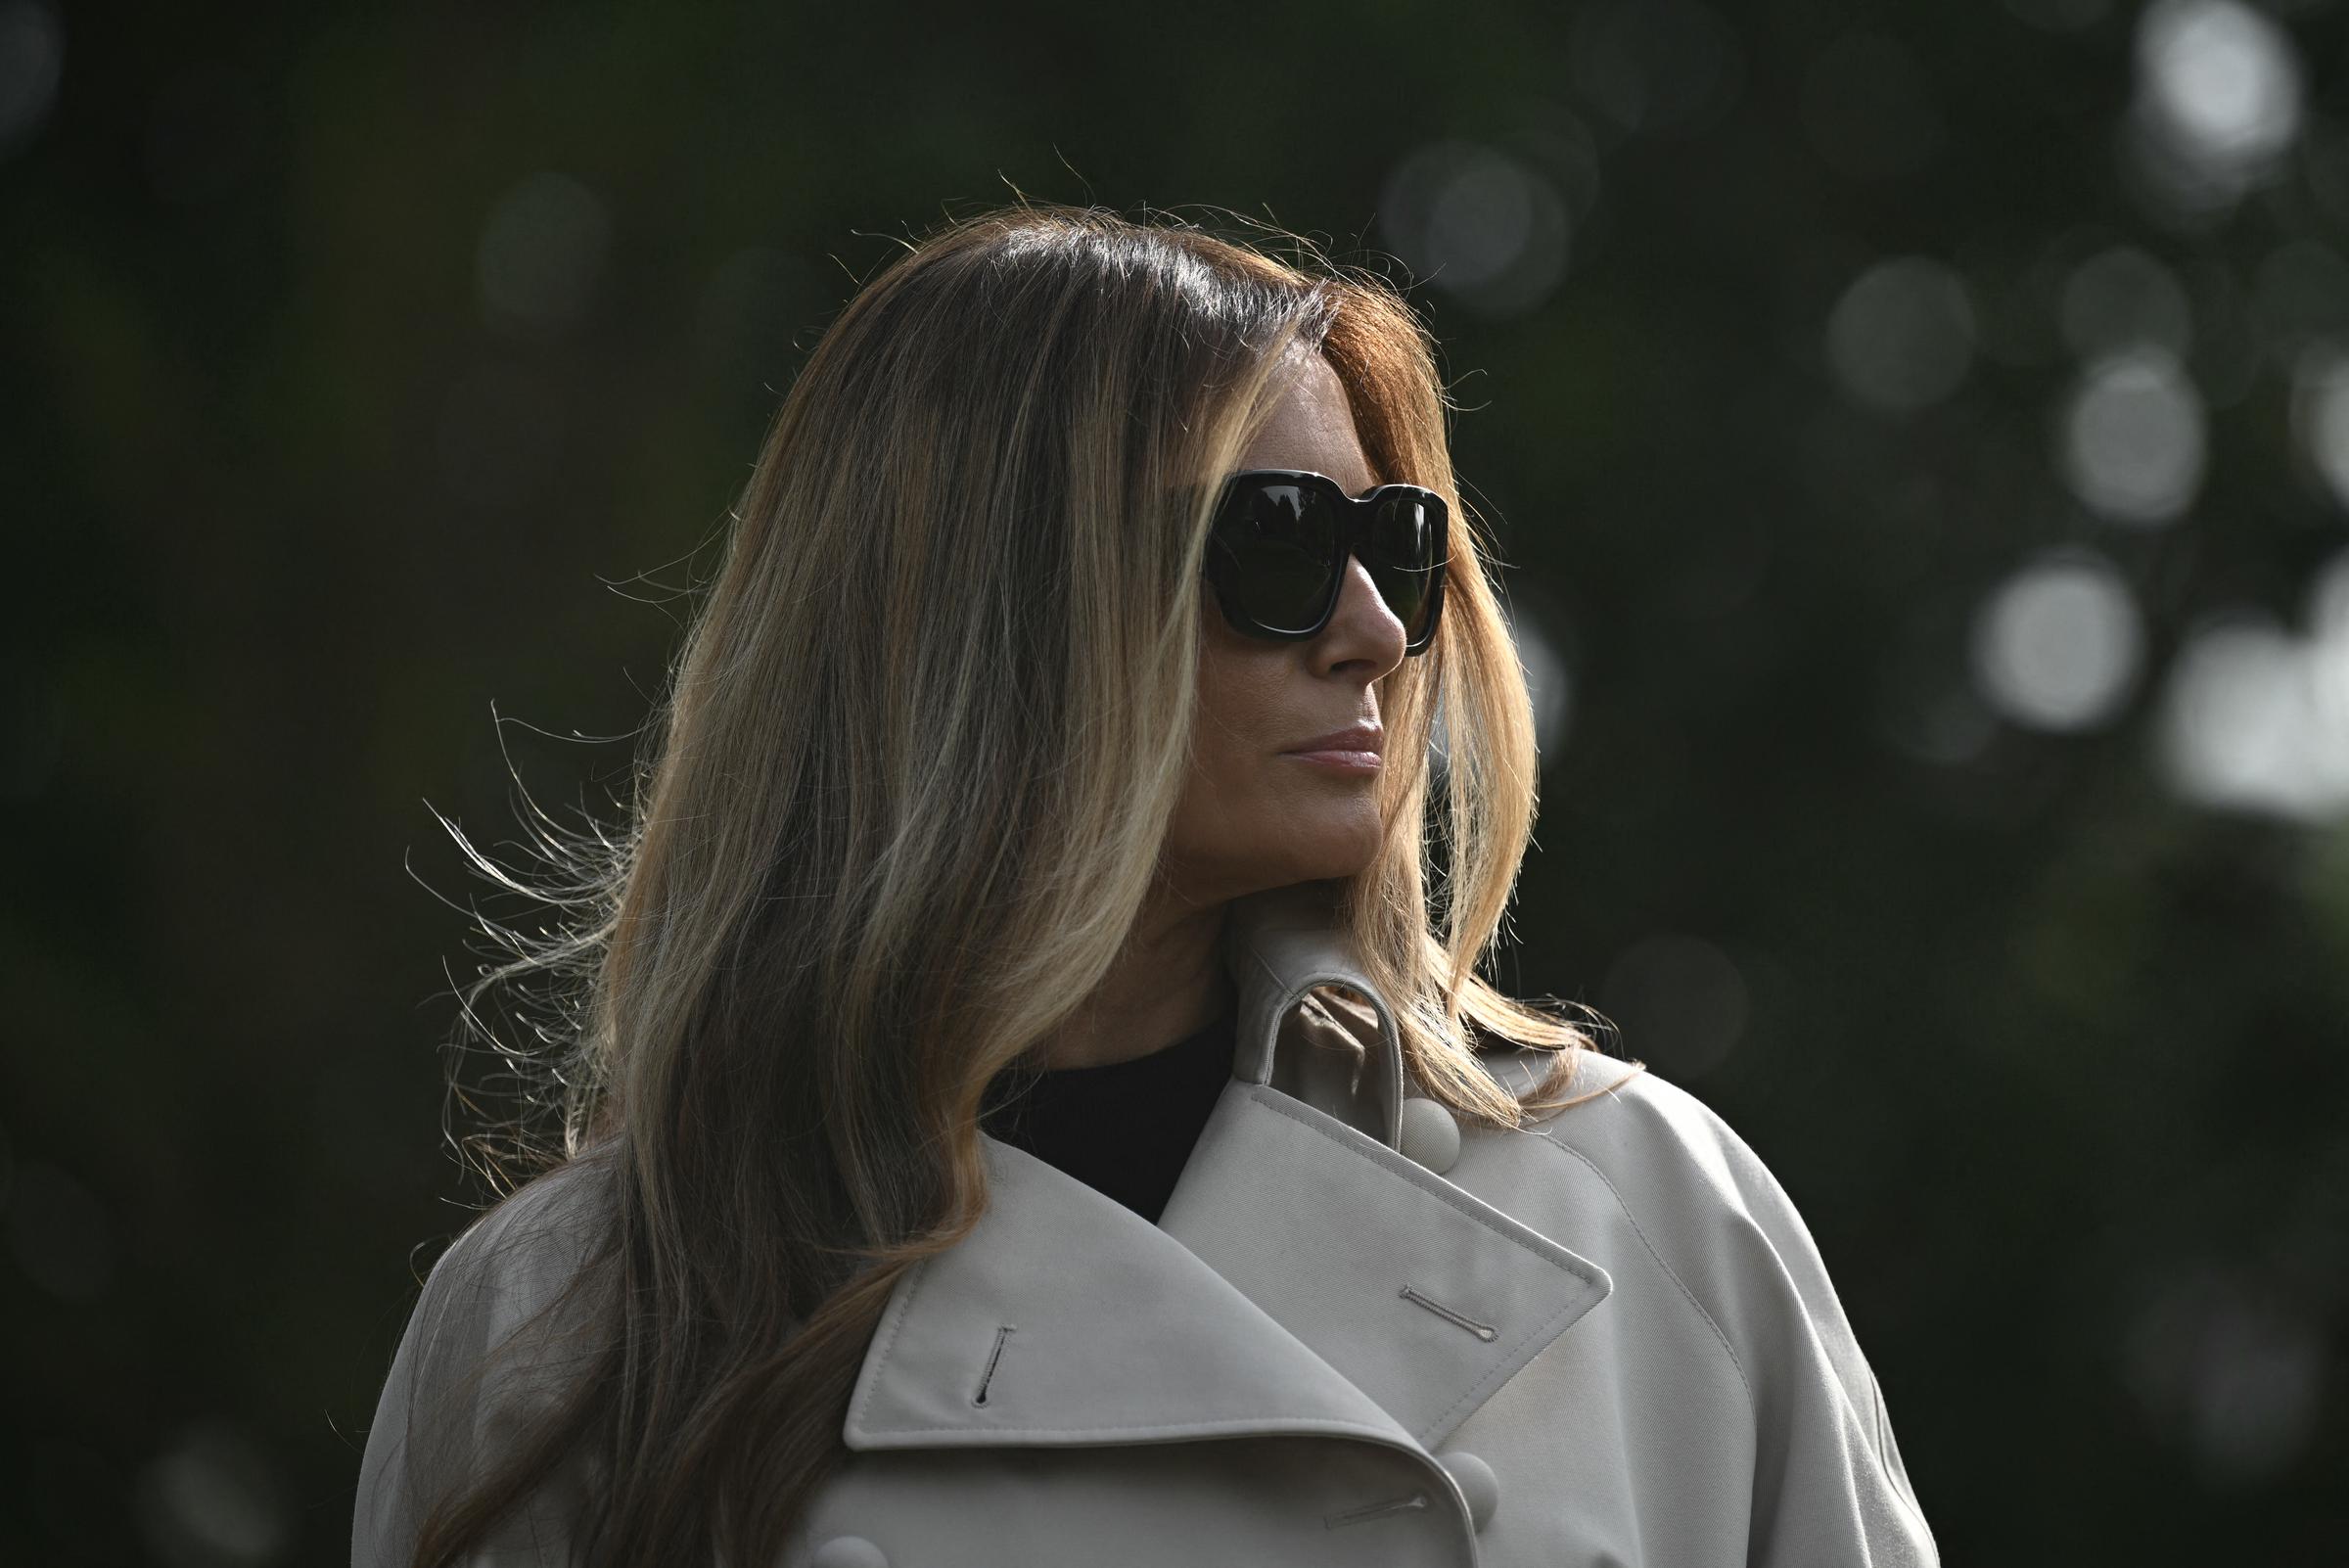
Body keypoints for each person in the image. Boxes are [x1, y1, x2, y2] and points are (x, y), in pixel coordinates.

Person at [353, 203, 1937, 1568]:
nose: (1378, 631)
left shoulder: (1647, 1206)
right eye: (1276, 543)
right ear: (989, 617)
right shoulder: (579, 1317)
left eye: (1396, 544)